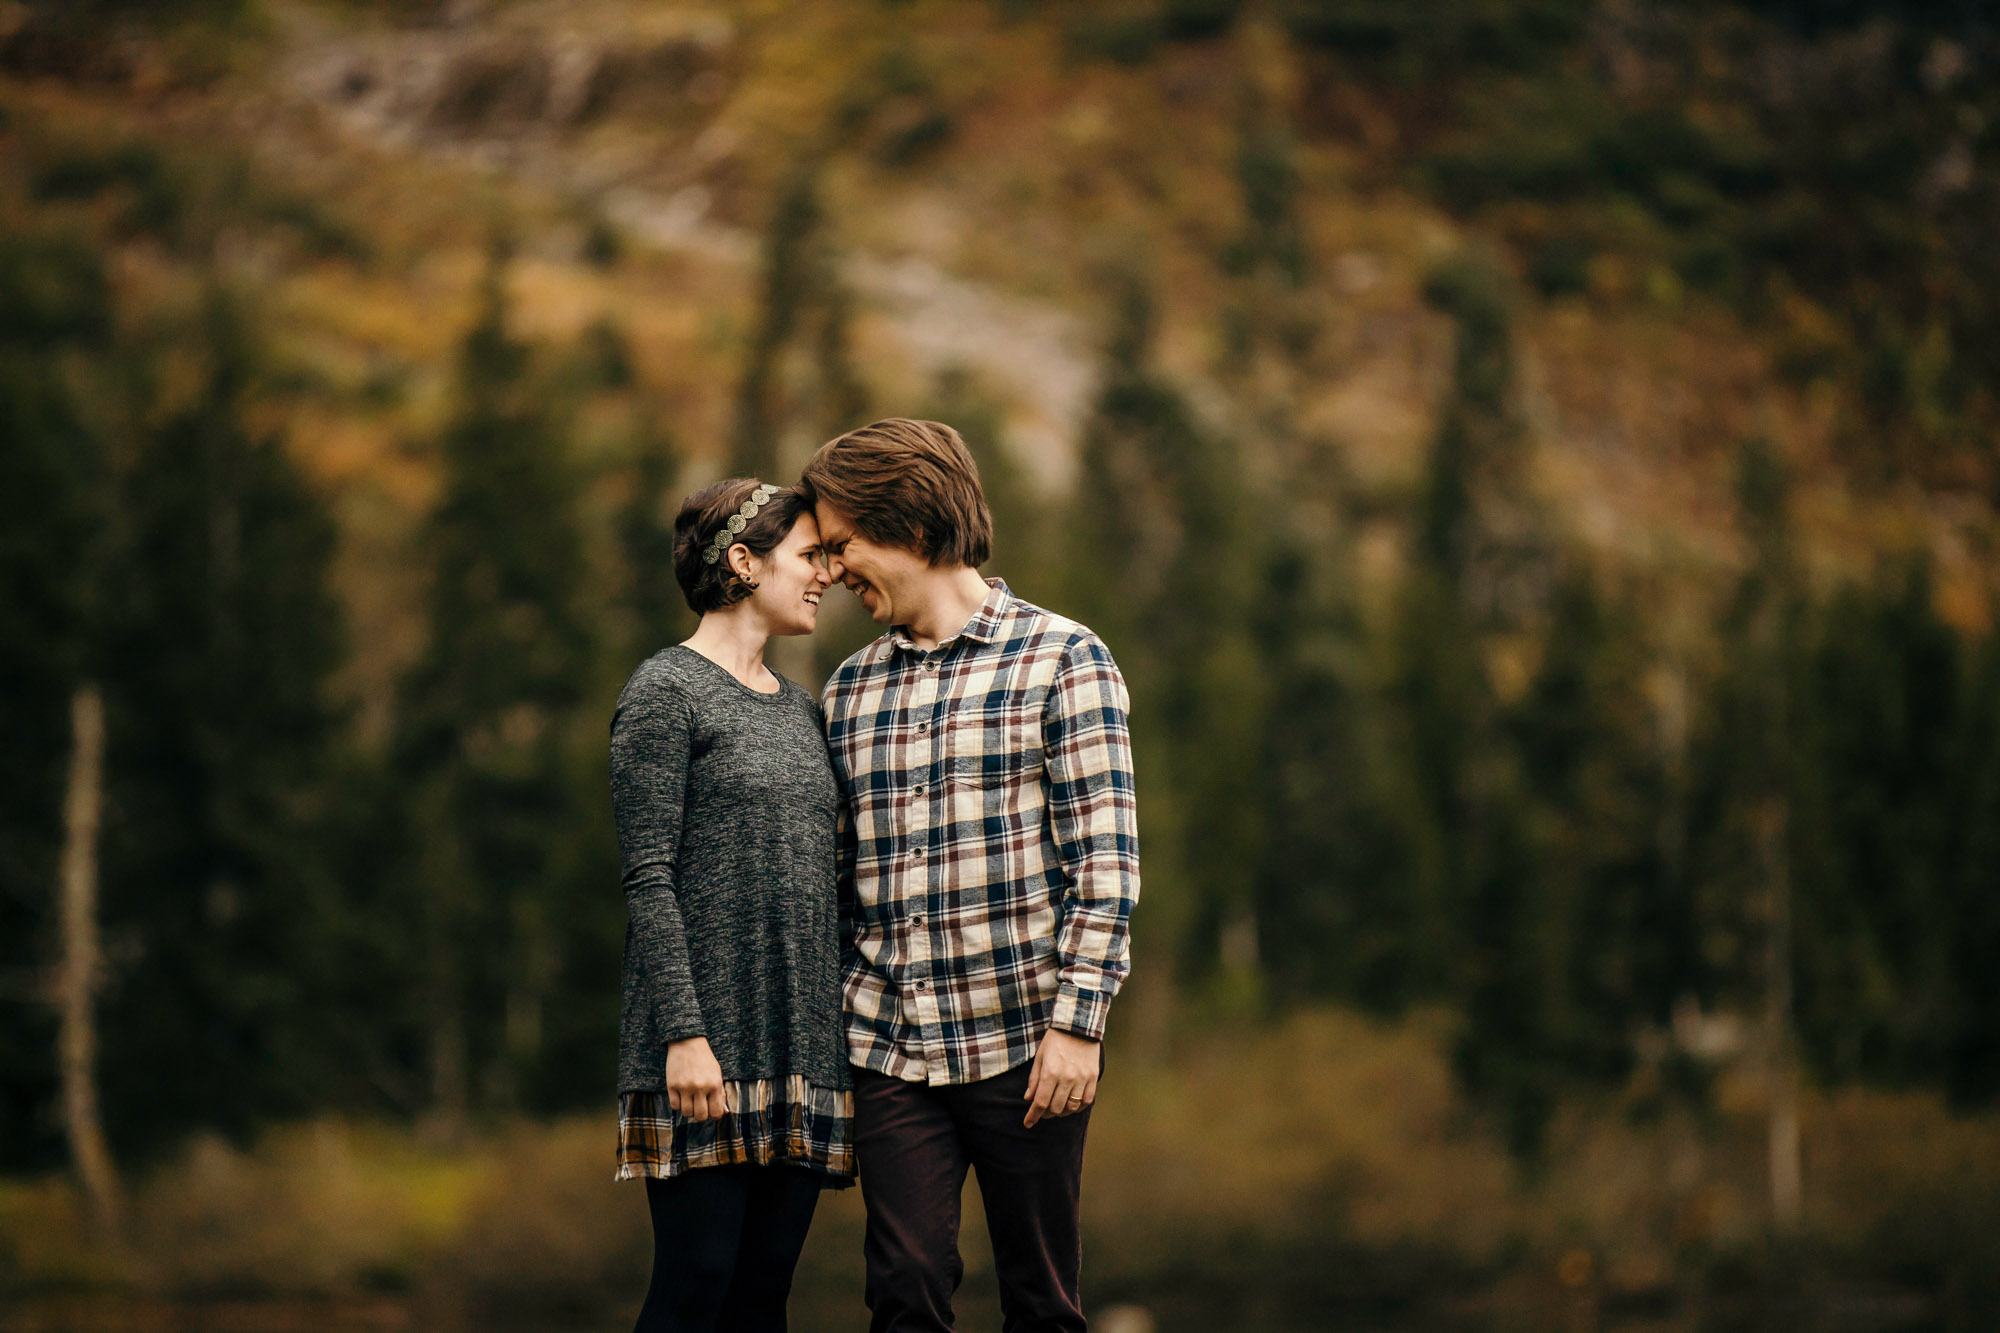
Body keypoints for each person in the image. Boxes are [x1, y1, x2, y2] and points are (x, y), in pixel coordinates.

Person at [801, 419, 1141, 1333]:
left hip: (1028, 1045)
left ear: (911, 529)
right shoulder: (848, 689)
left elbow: (1103, 865)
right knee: (904, 1285)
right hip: (888, 1049)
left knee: (1042, 1298)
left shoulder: (1066, 659)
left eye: (844, 545)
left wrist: (1079, 1024)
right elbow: (837, 879)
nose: (831, 570)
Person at [608, 478, 852, 1333]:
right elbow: (648, 874)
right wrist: (683, 1031)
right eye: (808, 555)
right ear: (743, 562)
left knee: (762, 1301)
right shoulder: (664, 692)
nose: (826, 572)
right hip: (703, 1050)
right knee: (694, 1286)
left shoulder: (804, 711)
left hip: (801, 1047)